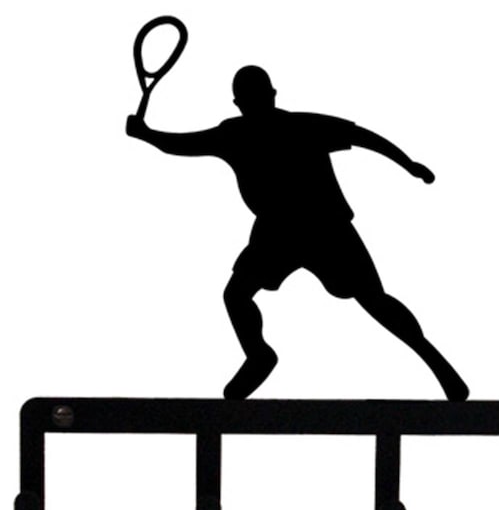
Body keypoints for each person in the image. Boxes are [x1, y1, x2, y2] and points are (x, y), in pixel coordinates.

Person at [126, 65, 469, 401]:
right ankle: (259, 356)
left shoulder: (283, 127)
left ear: (258, 98)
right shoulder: (249, 132)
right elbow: (180, 144)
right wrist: (147, 135)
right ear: (255, 99)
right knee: (240, 295)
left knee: (370, 299)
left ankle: (435, 362)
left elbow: (363, 137)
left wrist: (408, 164)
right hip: (285, 230)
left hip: (322, 226)